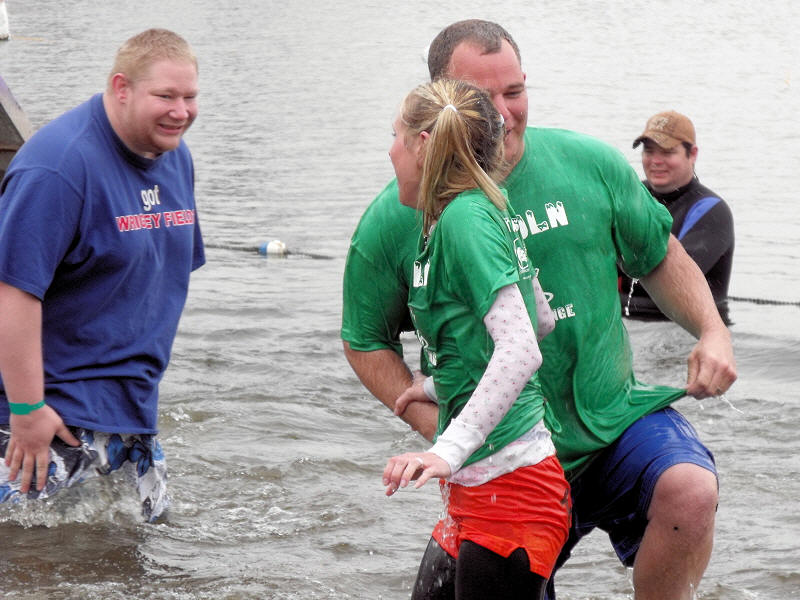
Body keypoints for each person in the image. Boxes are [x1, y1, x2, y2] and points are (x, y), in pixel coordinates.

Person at [341, 19, 737, 600]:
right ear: (440, 106)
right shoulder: (399, 216)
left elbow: (654, 256)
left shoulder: (581, 167)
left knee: (691, 490)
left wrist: (713, 330)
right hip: (505, 456)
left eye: (515, 92)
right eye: (484, 99)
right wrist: (436, 412)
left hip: (605, 427)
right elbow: (365, 338)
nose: (503, 115)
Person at [0, 28, 205, 522]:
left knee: (140, 548)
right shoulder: (58, 168)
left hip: (131, 411)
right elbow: (12, 293)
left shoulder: (175, 157)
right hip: (49, 416)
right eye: (166, 96)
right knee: (30, 555)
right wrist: (27, 410)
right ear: (121, 88)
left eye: (190, 97)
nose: (181, 112)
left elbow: (159, 276)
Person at [382, 78, 570, 600]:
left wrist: (447, 449)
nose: (390, 151)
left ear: (423, 145)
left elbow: (521, 347)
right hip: (479, 488)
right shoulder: (485, 206)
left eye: (395, 137)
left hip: (513, 495)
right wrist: (438, 385)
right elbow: (541, 318)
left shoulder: (465, 218)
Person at [619, 110, 734, 324]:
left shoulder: (712, 210)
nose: (656, 161)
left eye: (667, 152)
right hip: (624, 321)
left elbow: (674, 280)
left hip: (683, 330)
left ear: (692, 154)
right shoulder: (629, 197)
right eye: (649, 151)